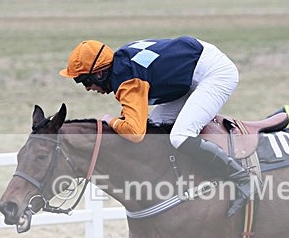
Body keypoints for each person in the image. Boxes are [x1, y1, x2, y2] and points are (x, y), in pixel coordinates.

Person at [59, 37, 250, 216]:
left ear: (99, 73)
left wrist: (111, 121)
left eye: (84, 80)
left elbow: (135, 133)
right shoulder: (121, 66)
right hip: (191, 70)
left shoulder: (127, 80)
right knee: (155, 128)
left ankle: (242, 178)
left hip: (214, 73)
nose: (86, 88)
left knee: (180, 136)